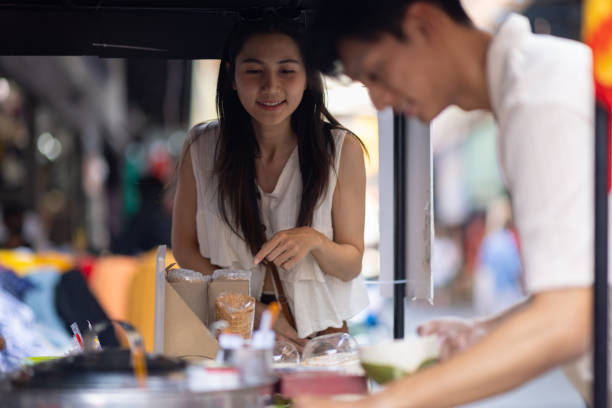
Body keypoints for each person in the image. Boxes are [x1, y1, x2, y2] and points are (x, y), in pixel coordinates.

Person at [295, 1, 595, 407]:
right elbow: (585, 289)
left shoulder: (535, 98)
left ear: (423, 23)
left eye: (376, 73)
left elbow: (567, 321)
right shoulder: (528, 84)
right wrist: (485, 331)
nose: (381, 101)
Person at [171, 15, 369, 348]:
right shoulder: (201, 147)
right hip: (229, 334)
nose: (271, 86)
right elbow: (184, 248)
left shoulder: (341, 150)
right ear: (232, 76)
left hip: (319, 339)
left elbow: (351, 264)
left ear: (308, 76)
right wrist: (254, 312)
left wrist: (313, 240)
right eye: (253, 71)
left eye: (287, 70)